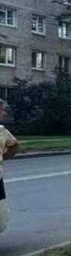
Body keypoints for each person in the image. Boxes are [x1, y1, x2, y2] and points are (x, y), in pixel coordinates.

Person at [0, 99, 20, 235]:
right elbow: (14, 146)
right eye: (1, 109)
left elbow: (14, 145)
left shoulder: (1, 130)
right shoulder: (1, 130)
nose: (4, 112)